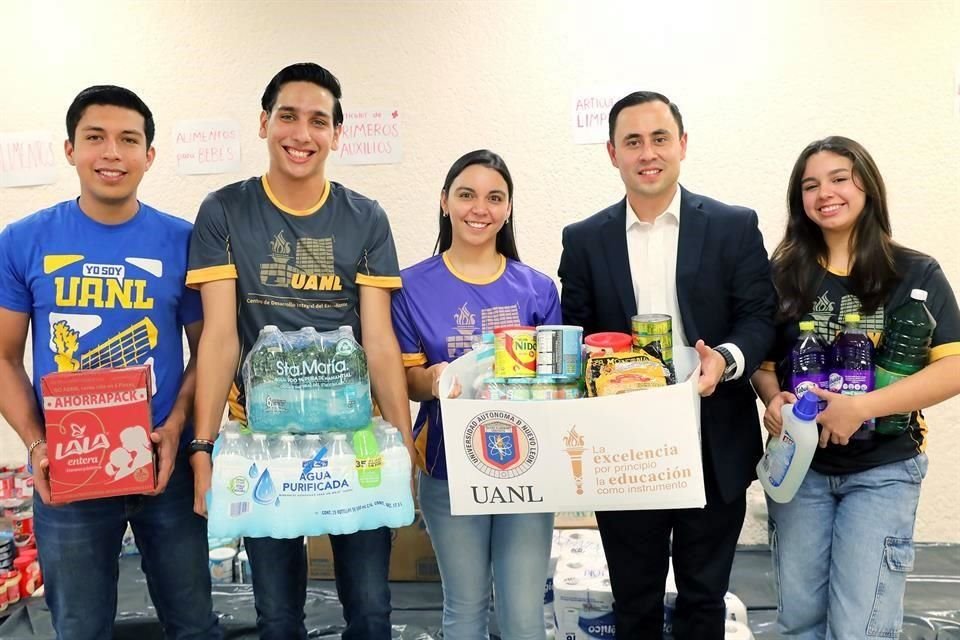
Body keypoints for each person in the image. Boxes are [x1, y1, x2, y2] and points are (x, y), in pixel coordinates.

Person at [186, 62, 416, 640]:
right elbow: (219, 338)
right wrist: (203, 445)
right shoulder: (224, 211)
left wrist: (402, 443)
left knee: (370, 610)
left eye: (319, 121)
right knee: (278, 616)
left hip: (354, 435)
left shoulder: (366, 217)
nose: (301, 133)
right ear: (264, 123)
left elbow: (380, 340)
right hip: (262, 444)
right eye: (287, 116)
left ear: (337, 134)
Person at [0, 85, 220, 640]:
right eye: (95, 138)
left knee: (193, 623)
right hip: (69, 466)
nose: (112, 154)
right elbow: (2, 358)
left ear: (150, 155)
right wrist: (36, 444)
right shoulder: (22, 241)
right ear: (70, 149)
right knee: (79, 628)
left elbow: (209, 349)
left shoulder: (184, 241)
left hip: (160, 461)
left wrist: (178, 429)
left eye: (129, 140)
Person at [558, 91, 776, 639]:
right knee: (634, 600)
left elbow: (758, 318)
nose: (647, 152)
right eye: (632, 141)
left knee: (704, 601)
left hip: (713, 435)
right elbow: (576, 333)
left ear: (682, 144)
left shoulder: (732, 226)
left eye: (659, 138)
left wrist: (724, 360)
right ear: (612, 153)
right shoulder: (584, 239)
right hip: (625, 448)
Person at [751, 136, 960, 639]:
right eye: (810, 185)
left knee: (860, 627)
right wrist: (772, 398)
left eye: (839, 178)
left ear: (866, 184)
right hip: (800, 473)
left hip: (883, 470)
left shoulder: (914, 271)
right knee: (799, 622)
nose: (826, 192)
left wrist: (861, 406)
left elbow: (952, 369)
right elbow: (763, 365)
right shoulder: (780, 275)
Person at [391, 149, 560, 639]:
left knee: (523, 616)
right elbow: (406, 379)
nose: (479, 208)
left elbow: (557, 382)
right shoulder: (409, 286)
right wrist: (439, 378)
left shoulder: (537, 289)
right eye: (466, 195)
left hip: (527, 466)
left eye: (494, 197)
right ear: (445, 201)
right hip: (448, 464)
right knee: (463, 610)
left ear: (508, 208)